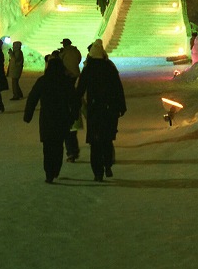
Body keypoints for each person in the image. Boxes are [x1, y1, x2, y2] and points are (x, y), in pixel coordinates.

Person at [23, 55, 80, 184]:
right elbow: (74, 100)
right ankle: (55, 170)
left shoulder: (43, 81)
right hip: (62, 118)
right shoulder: (65, 82)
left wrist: (28, 115)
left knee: (48, 147)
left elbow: (32, 98)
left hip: (47, 119)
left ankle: (49, 173)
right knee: (58, 146)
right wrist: (74, 115)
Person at [76, 39, 126, 182]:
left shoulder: (89, 69)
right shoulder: (109, 67)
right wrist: (121, 106)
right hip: (109, 110)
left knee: (95, 142)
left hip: (94, 110)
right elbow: (118, 88)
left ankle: (98, 172)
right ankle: (108, 164)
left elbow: (80, 89)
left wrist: (74, 105)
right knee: (107, 139)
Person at [59, 38, 82, 162]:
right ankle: (73, 151)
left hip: (68, 72)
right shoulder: (75, 50)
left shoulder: (64, 52)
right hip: (75, 72)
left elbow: (60, 60)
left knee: (68, 132)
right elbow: (79, 58)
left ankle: (71, 152)